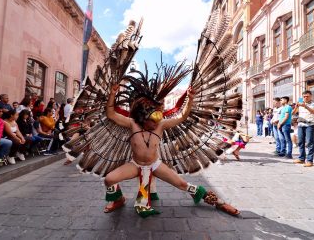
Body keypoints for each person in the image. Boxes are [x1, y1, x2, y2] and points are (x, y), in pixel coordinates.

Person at [102, 84, 240, 217]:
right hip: (135, 165)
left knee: (182, 184)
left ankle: (218, 202)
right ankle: (118, 199)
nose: (156, 123)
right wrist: (113, 94)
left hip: (155, 165)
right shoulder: (132, 123)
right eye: (152, 120)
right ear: (143, 118)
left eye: (158, 119)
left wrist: (190, 99)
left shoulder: (161, 125)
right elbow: (111, 114)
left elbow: (182, 117)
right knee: (109, 179)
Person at [292, 91, 314, 167]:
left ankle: (309, 161)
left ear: (311, 96)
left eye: (307, 96)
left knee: (309, 143)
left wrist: (306, 106)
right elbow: (293, 113)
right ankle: (301, 159)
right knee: (301, 142)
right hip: (301, 124)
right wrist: (296, 107)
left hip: (310, 125)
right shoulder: (300, 104)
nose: (305, 98)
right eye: (304, 96)